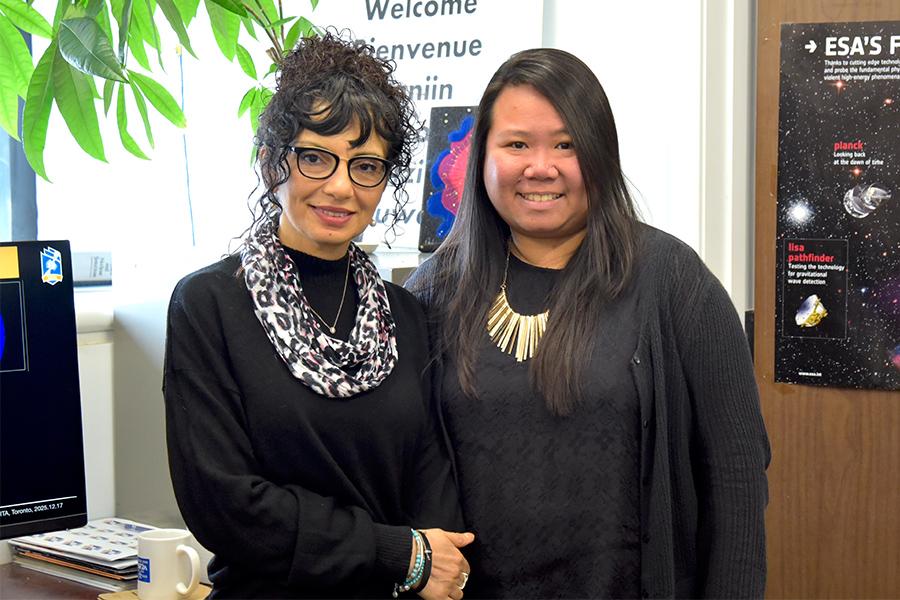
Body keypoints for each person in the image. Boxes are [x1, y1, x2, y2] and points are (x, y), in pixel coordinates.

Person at [405, 48, 771, 599]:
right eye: (516, 144)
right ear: (483, 156)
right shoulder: (433, 292)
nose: (540, 166)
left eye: (566, 144)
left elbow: (737, 473)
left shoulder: (672, 280)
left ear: (600, 154)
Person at [163, 32, 473, 599]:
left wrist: (424, 556)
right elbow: (224, 503)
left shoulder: (407, 316)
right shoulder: (209, 305)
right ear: (270, 163)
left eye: (366, 166)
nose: (340, 187)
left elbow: (434, 488)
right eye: (314, 157)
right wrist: (394, 551)